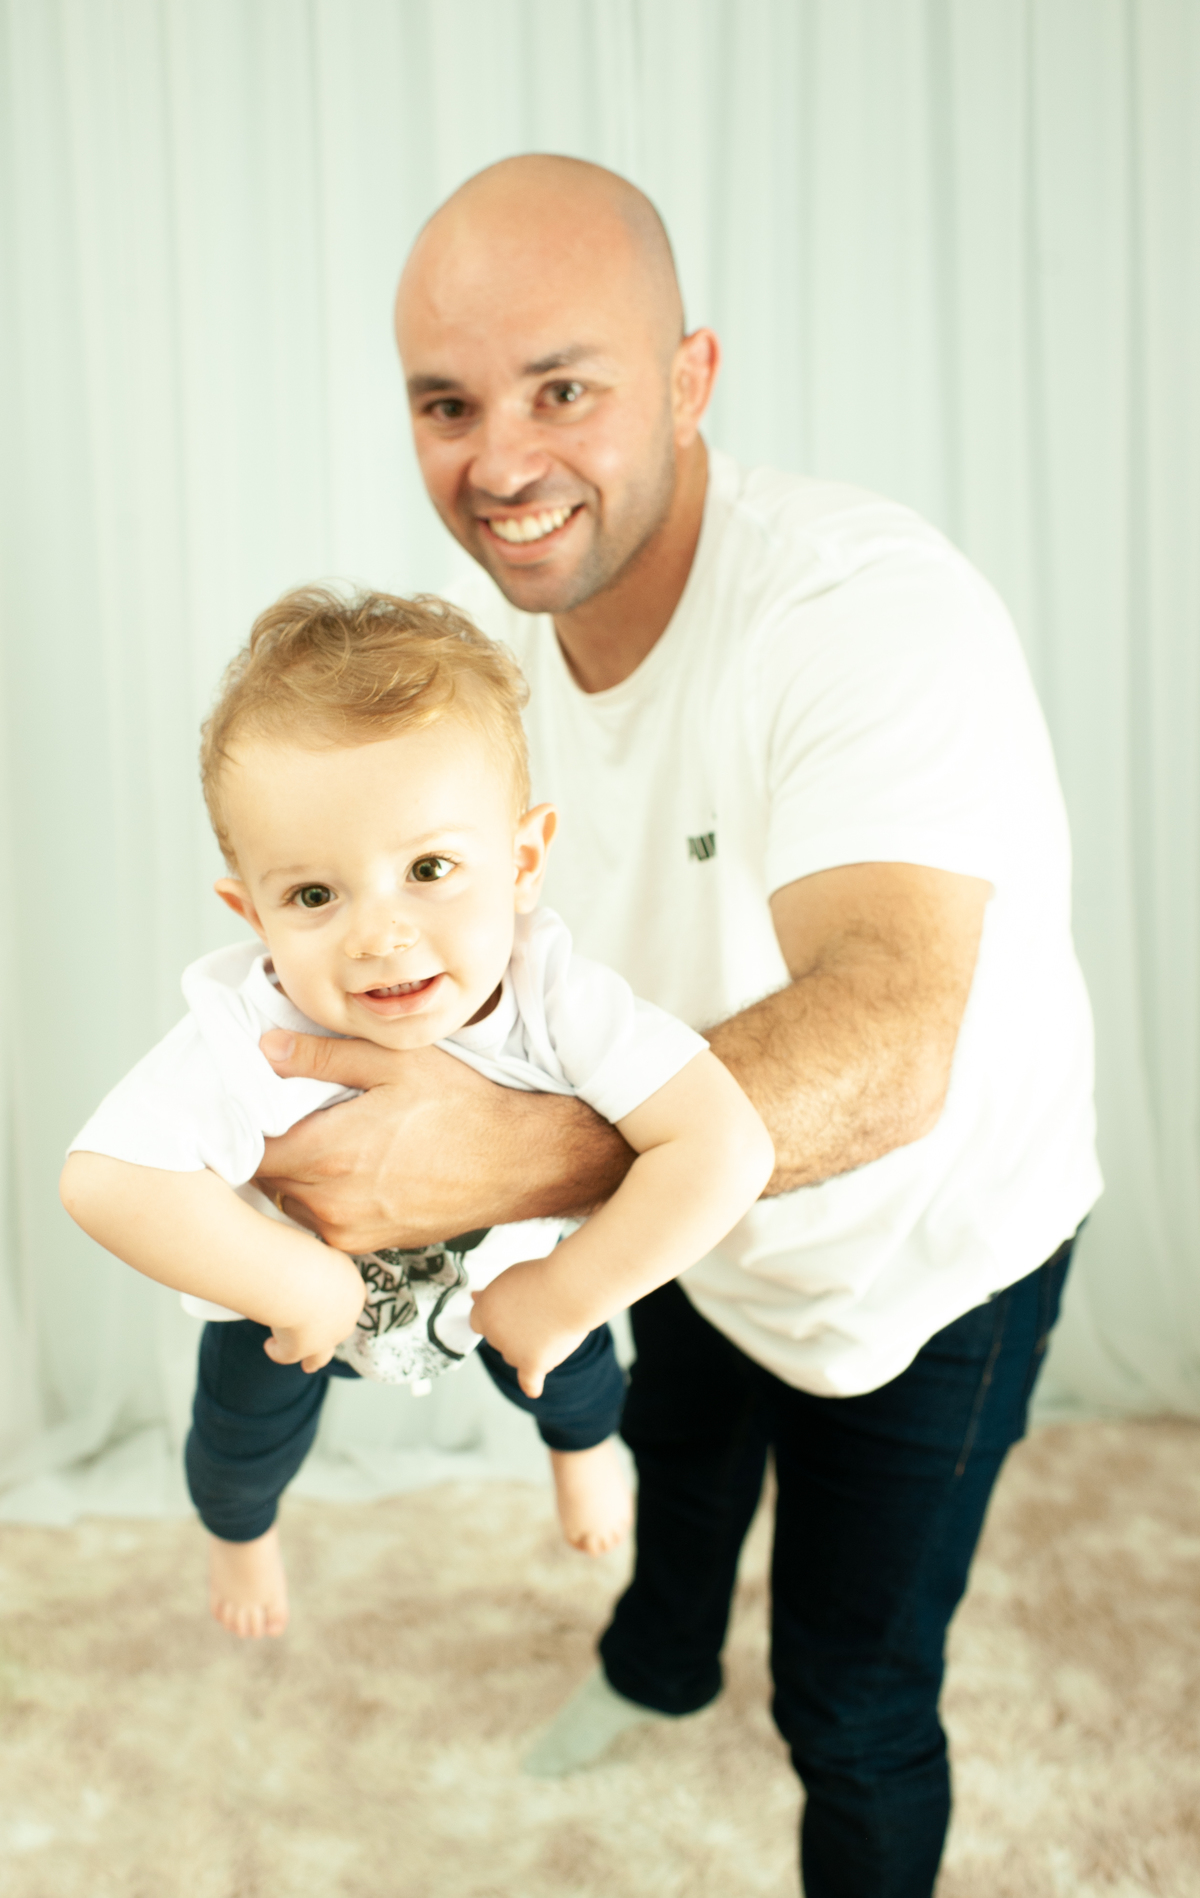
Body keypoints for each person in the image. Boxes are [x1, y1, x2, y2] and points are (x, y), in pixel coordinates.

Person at [250, 157, 1101, 1896]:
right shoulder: (503, 666)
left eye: (566, 387)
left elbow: (892, 1028)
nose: (501, 461)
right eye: (448, 403)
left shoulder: (860, 608)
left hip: (933, 1258)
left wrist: (511, 1160)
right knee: (677, 1473)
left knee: (855, 1697)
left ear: (693, 379)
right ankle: (651, 1667)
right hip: (702, 1217)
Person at [59, 586, 773, 1635]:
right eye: (314, 896)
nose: (380, 935)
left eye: (430, 868)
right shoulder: (243, 1029)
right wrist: (289, 1275)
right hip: (297, 1312)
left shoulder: (556, 994)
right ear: (250, 910)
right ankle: (240, 1530)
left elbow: (724, 1141)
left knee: (576, 1376)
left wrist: (569, 1287)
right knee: (236, 1436)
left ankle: (582, 1455)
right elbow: (104, 1176)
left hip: (502, 1270)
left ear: (523, 861)